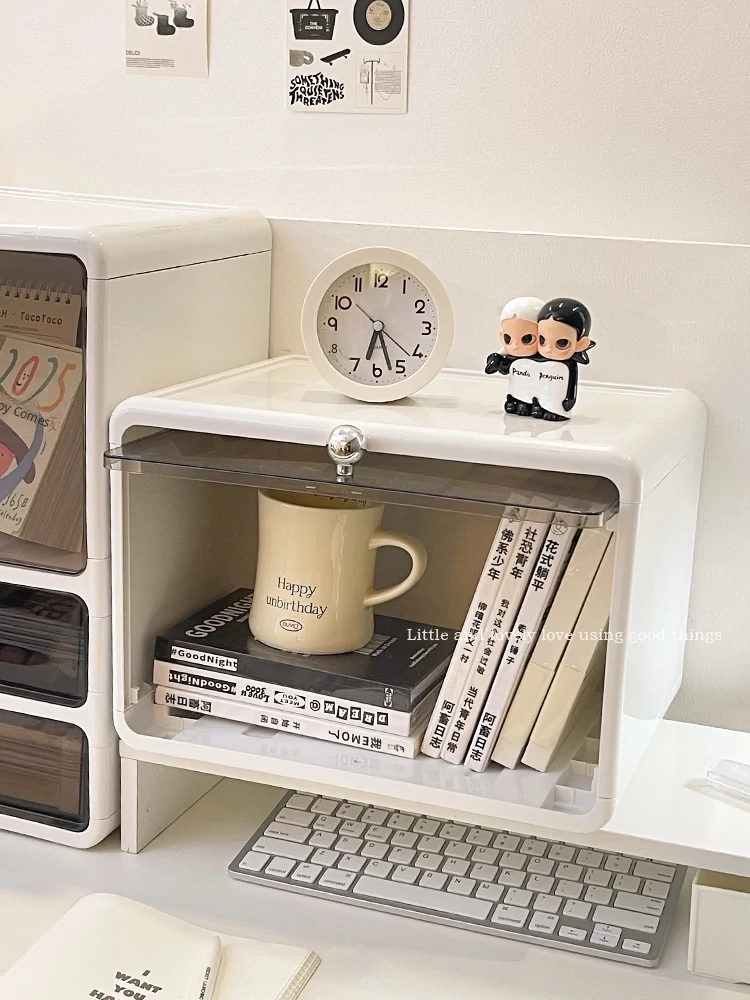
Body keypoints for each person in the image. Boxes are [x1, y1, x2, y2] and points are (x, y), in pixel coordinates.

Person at [485, 296, 545, 416]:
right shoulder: (510, 357)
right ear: (501, 336)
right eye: (508, 339)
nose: (516, 345)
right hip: (517, 390)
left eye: (527, 339)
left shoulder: (545, 360)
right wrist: (495, 362)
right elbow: (500, 364)